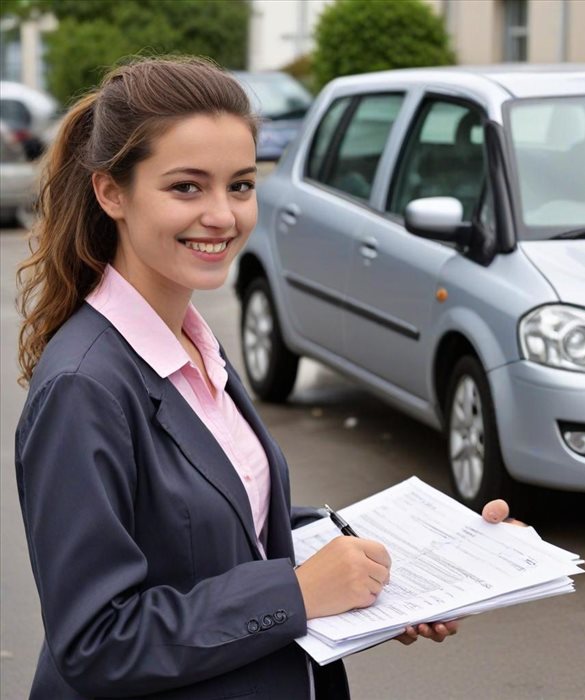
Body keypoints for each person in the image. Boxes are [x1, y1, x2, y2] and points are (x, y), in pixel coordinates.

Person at [15, 56, 516, 700]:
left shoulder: (191, 340)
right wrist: (299, 593)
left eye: (242, 185)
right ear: (112, 192)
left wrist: (424, 557)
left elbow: (235, 529)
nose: (223, 215)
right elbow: (95, 641)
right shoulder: (85, 386)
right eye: (187, 187)